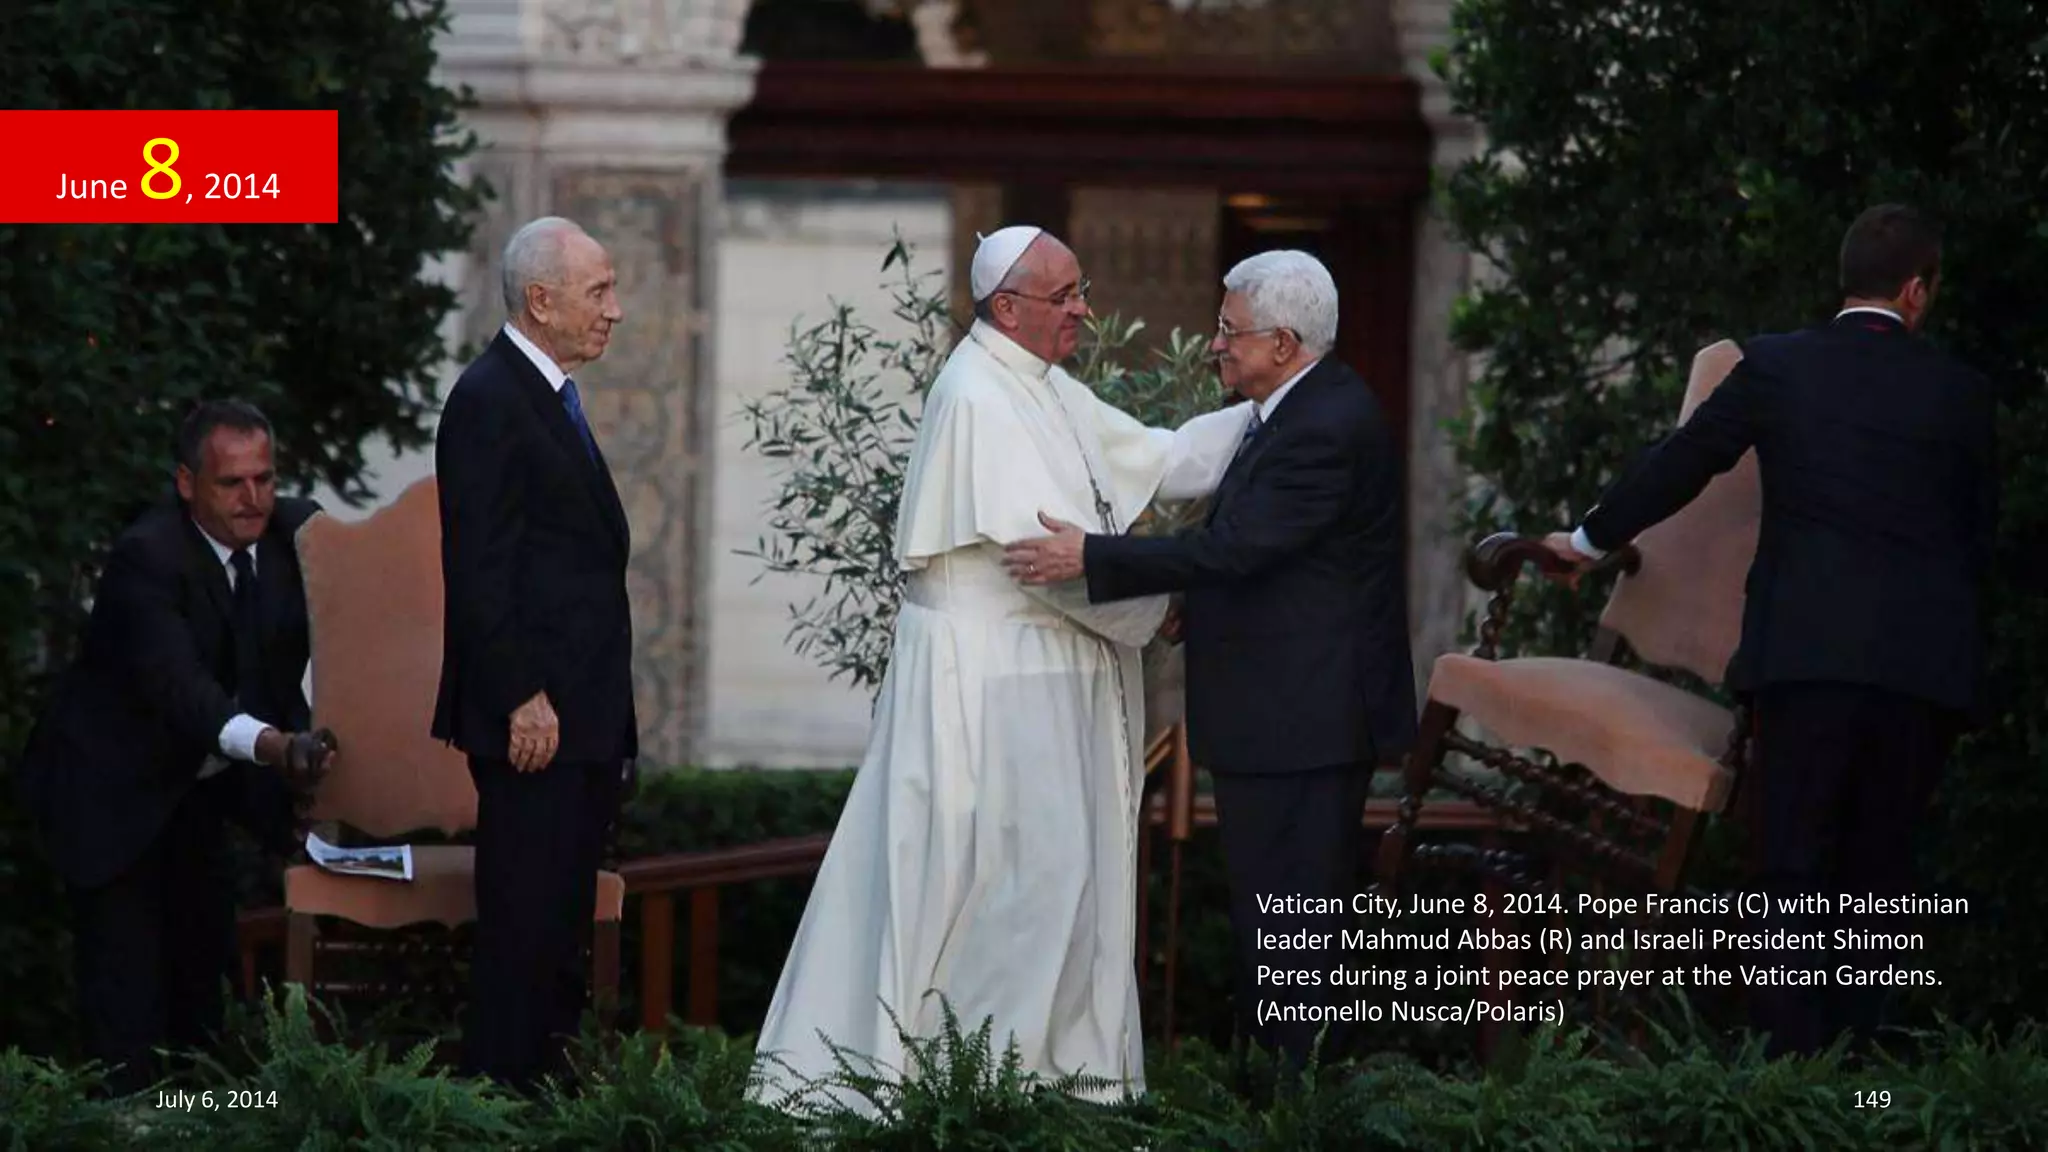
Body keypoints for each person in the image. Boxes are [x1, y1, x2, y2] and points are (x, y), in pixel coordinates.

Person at [749, 225, 1251, 1107]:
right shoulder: (978, 395)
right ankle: (984, 1093)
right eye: (1067, 299)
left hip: (1041, 677)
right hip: (995, 684)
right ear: (1007, 307)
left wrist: (1271, 401)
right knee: (1004, 886)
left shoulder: (1041, 385)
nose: (1085, 311)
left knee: (1053, 884)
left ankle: (1048, 1086)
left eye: (1081, 290)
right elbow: (1042, 566)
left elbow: (1164, 458)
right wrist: (1165, 605)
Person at [1539, 204, 1997, 1058]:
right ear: (1916, 290)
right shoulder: (1962, 393)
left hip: (1808, 659)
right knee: (1881, 886)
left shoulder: (1778, 367)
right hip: (1921, 673)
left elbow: (1684, 460)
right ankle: (1873, 1091)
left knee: (1791, 874)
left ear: (1850, 281)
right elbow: (1978, 538)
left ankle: (1785, 1088)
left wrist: (1590, 540)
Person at [1004, 249, 1417, 1070]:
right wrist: (1188, 605)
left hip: (1308, 722)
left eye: (1231, 331)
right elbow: (1275, 557)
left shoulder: (1327, 426)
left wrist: (1093, 556)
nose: (1215, 346)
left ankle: (1299, 1111)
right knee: (1271, 931)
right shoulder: (1290, 410)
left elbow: (1235, 548)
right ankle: (1271, 1096)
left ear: (1285, 343)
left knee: (1294, 939)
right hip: (1285, 716)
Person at [18, 400, 335, 1096]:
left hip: (196, 794)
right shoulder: (146, 558)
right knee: (127, 1011)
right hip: (110, 797)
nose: (253, 499)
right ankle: (123, 1129)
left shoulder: (295, 532)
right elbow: (187, 694)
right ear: (187, 483)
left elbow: (331, 626)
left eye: (265, 478)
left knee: (207, 993)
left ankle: (208, 1122)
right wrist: (280, 746)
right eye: (231, 483)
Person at [431, 215, 637, 1091]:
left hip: (578, 721)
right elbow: (478, 567)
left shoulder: (545, 394)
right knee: (521, 937)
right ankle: (499, 1110)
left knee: (557, 937)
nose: (615, 311)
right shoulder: (489, 398)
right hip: (535, 725)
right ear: (540, 299)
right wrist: (522, 694)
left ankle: (549, 1106)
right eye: (599, 291)